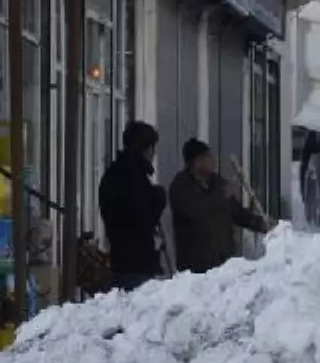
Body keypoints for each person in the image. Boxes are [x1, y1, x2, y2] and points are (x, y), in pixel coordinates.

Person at [169, 138, 270, 274]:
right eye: (208, 157)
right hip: (195, 268)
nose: (213, 160)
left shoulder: (217, 183)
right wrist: (223, 196)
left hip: (223, 264)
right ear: (197, 161)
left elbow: (236, 213)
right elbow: (197, 211)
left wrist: (260, 223)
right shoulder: (181, 186)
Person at [98, 121, 168, 291]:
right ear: (145, 148)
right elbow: (143, 217)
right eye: (152, 148)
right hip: (136, 262)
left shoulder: (114, 174)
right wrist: (158, 197)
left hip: (120, 259)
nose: (154, 154)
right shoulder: (133, 177)